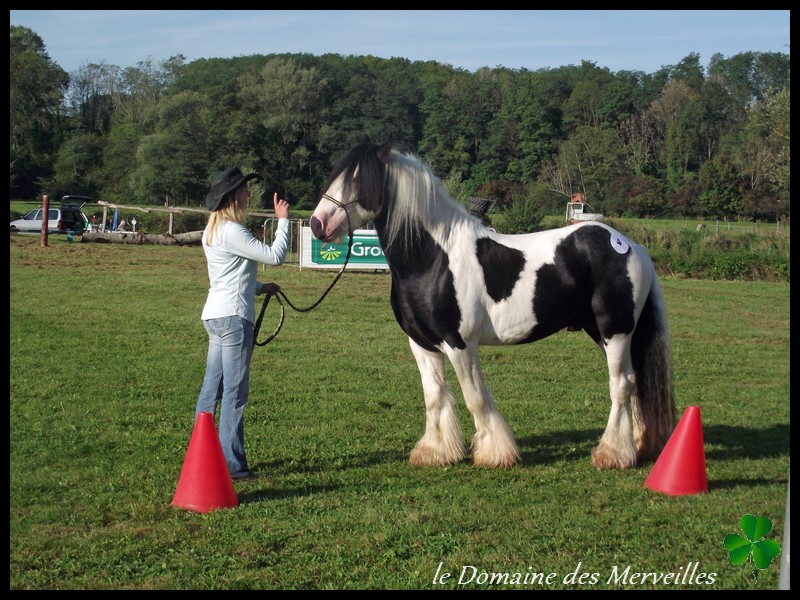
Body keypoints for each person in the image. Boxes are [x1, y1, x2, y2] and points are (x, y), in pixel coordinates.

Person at [194, 166, 290, 482]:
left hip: (215, 315)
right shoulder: (235, 231)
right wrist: (283, 222)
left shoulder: (214, 230)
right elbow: (275, 255)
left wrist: (260, 287)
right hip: (235, 319)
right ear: (234, 196)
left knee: (212, 389)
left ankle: (201, 454)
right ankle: (234, 467)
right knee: (235, 393)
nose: (249, 193)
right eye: (245, 189)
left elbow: (230, 275)